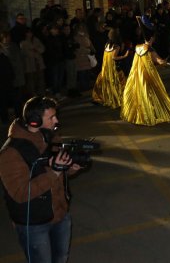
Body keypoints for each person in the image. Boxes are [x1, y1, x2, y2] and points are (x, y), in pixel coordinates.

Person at [0, 96, 82, 263]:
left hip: (59, 214)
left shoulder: (50, 136)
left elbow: (58, 172)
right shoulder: (11, 153)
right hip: (34, 224)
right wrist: (55, 172)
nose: (56, 120)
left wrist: (69, 169)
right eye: (51, 117)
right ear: (35, 121)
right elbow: (20, 193)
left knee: (61, 258)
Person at [120, 17, 170, 126]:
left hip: (137, 77)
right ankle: (150, 115)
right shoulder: (150, 50)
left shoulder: (137, 47)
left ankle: (140, 115)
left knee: (140, 96)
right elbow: (161, 62)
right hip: (148, 77)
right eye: (153, 38)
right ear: (151, 38)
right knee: (152, 96)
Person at [92, 29, 130, 108]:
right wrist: (125, 56)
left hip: (106, 68)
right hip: (113, 68)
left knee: (105, 83)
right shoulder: (116, 46)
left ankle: (105, 98)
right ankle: (119, 99)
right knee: (120, 81)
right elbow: (114, 57)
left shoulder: (107, 44)